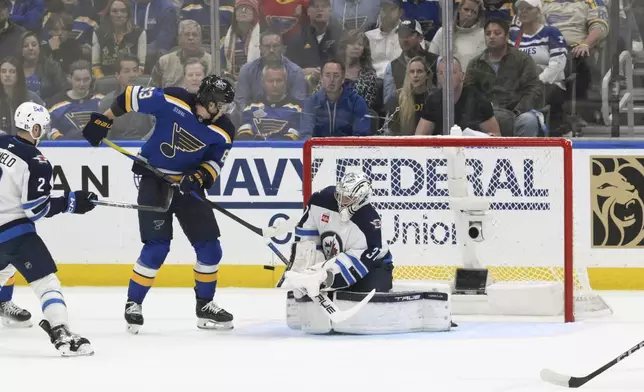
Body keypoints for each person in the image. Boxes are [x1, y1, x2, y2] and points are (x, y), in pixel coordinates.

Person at [82, 75, 237, 334]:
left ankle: (205, 305)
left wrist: (198, 177)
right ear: (209, 101)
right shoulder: (173, 99)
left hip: (187, 188)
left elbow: (214, 163)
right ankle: (134, 303)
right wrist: (105, 118)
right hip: (154, 179)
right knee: (157, 247)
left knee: (211, 248)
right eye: (221, 105)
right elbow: (130, 96)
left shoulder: (224, 129)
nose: (224, 111)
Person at [283, 172, 453, 334]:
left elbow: (356, 262)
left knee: (360, 294)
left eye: (348, 198)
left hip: (375, 267)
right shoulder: (319, 200)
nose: (341, 200)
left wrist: (325, 277)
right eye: (340, 195)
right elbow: (306, 239)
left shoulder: (369, 222)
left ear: (361, 198)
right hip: (334, 260)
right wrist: (304, 270)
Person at [0, 101, 97, 355]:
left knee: (4, 269)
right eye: (41, 128)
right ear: (33, 129)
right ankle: (61, 331)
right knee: (46, 282)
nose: (42, 132)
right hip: (14, 233)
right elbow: (36, 209)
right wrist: (70, 202)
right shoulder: (37, 160)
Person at [416, 57, 501, 136]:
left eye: (452, 72)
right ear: (437, 77)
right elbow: (419, 139)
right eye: (441, 73)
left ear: (462, 76)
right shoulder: (432, 101)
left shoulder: (479, 100)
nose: (446, 77)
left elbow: (495, 136)